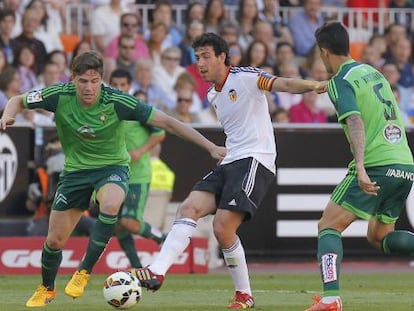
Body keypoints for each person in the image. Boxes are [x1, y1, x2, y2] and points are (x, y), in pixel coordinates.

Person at [0, 50, 226, 308]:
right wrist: (7, 115)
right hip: (75, 172)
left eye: (94, 81)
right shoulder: (58, 95)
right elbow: (18, 99)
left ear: (101, 79)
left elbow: (167, 122)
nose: (88, 87)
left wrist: (210, 146)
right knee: (54, 241)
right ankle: (46, 288)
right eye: (83, 81)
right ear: (72, 79)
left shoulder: (117, 101)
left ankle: (83, 271)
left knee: (110, 205)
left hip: (112, 168)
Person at [130, 32, 326, 309]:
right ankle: (157, 270)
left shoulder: (245, 76)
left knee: (223, 227)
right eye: (197, 58)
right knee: (188, 208)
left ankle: (244, 295)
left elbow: (281, 83)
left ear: (222, 57)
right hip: (231, 159)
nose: (200, 63)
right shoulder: (212, 93)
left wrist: (315, 84)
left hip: (255, 160)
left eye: (206, 57)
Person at [304, 22, 414, 311]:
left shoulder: (340, 81)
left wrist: (362, 168)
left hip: (376, 163)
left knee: (328, 225)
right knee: (379, 237)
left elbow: (354, 121)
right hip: (404, 163)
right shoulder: (372, 71)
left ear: (324, 52)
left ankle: (330, 299)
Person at [109, 68, 167, 269]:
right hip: (115, 176)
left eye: (122, 85)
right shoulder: (106, 110)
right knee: (118, 225)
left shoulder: (137, 108)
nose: (118, 88)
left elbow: (159, 133)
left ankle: (163, 238)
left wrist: (140, 151)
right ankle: (137, 267)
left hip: (137, 175)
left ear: (129, 86)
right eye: (115, 84)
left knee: (129, 221)